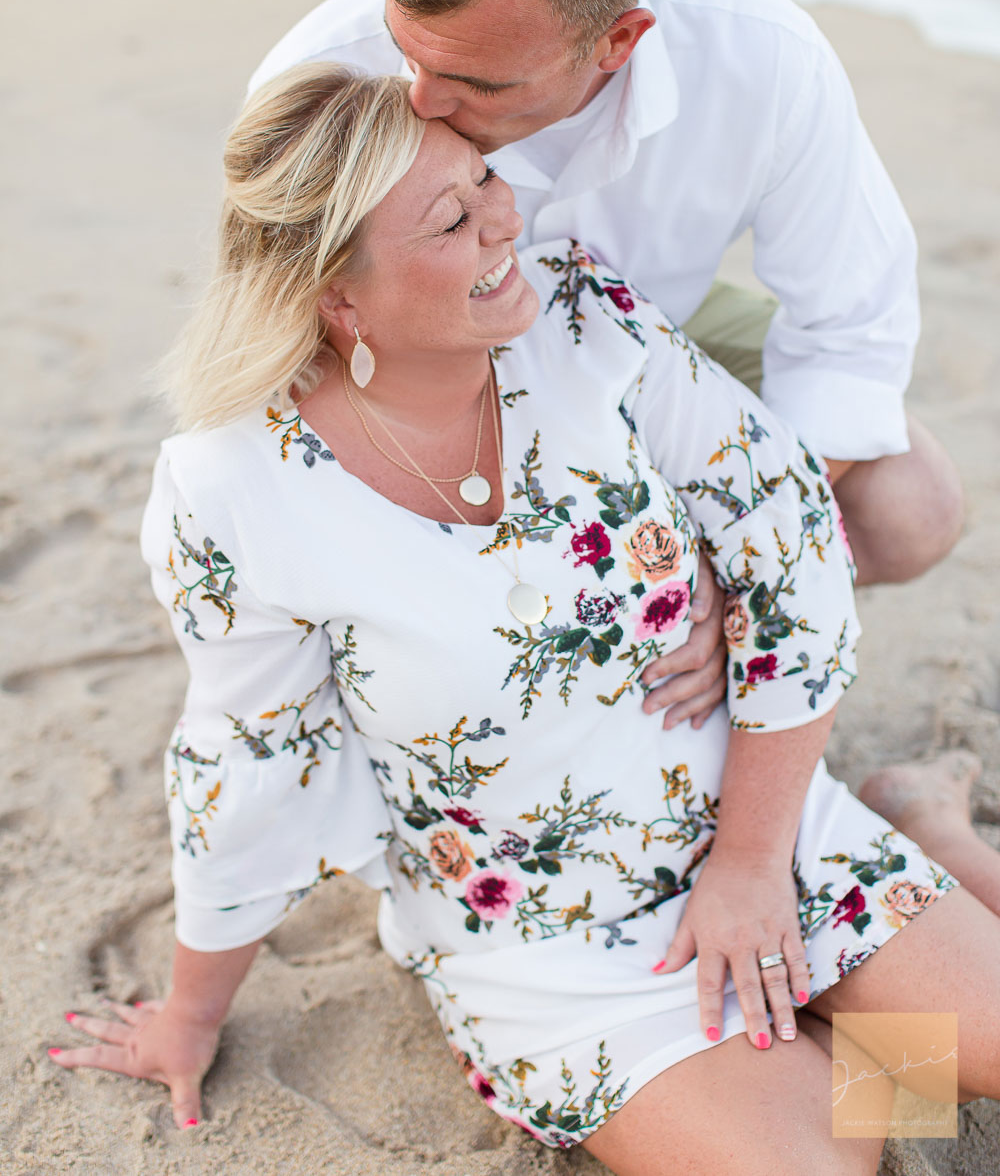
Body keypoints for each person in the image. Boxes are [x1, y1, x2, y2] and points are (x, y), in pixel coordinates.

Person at [50, 66, 1000, 1173]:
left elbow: (784, 530)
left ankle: (918, 840)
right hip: (547, 940)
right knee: (846, 1150)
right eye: (453, 217)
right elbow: (249, 760)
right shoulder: (227, 490)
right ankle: (865, 976)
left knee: (963, 1066)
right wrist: (193, 1013)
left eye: (485, 180)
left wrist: (748, 863)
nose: (505, 217)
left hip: (754, 822)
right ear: (336, 297)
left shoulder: (581, 311)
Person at [249, 0, 963, 610]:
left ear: (618, 42)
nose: (419, 99)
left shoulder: (764, 59)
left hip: (663, 332)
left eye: (480, 83)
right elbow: (272, 343)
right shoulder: (317, 77)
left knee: (913, 507)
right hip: (410, 380)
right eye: (407, 49)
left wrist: (725, 568)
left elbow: (849, 334)